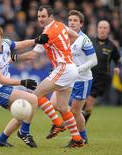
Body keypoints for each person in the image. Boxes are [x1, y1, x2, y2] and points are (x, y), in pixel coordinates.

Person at [16, 5, 84, 148]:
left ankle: (54, 124)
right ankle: (77, 139)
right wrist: (64, 47)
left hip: (64, 68)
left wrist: (13, 58)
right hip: (71, 68)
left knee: (35, 96)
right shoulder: (60, 25)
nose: (40, 19)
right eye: (39, 16)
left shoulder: (47, 34)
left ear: (50, 16)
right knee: (63, 107)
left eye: (43, 16)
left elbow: (32, 55)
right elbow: (76, 35)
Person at [0, 24, 48, 148]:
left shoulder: (5, 44)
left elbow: (20, 44)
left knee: (21, 115)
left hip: (4, 88)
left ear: (1, 38)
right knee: (33, 99)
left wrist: (35, 40)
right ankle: (24, 132)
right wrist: (22, 82)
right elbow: (2, 80)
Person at [50, 10, 97, 144]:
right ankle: (62, 124)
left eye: (75, 20)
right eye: (70, 20)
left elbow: (93, 61)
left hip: (83, 79)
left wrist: (77, 70)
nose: (72, 23)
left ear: (81, 24)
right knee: (54, 104)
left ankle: (82, 137)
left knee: (76, 112)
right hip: (67, 78)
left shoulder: (84, 40)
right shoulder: (64, 38)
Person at [83, 20, 121, 123]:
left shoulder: (112, 45)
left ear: (108, 30)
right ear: (97, 29)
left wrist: (117, 67)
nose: (102, 30)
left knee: (89, 100)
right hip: (88, 75)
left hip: (101, 78)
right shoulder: (90, 42)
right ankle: (80, 122)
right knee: (83, 102)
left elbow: (117, 59)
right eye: (100, 27)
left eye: (104, 28)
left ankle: (82, 126)